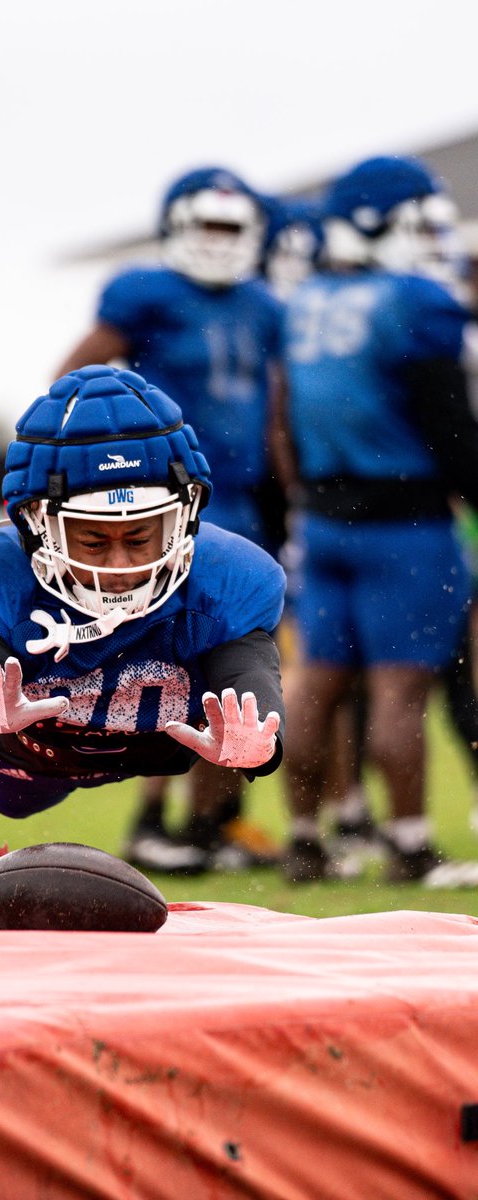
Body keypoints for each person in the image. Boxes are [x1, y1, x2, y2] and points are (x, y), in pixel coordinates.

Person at [0, 365, 286, 832]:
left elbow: (251, 684)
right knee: (9, 801)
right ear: (36, 524)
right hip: (33, 763)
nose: (118, 566)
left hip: (164, 750)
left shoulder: (226, 579)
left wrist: (259, 746)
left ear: (183, 518)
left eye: (139, 539)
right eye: (93, 543)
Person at [53, 167, 286, 873]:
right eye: (207, 226)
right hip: (164, 505)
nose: (218, 243)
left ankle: (210, 823)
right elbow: (71, 383)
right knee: (168, 662)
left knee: (238, 664)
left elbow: (272, 413)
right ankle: (152, 818)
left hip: (243, 505)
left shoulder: (264, 306)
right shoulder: (143, 293)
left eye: (230, 228)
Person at [277, 155, 478, 884]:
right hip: (405, 524)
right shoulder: (418, 301)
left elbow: (285, 422)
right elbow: (452, 429)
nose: (433, 234)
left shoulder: (305, 302)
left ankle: (304, 839)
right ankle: (409, 844)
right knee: (399, 691)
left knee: (317, 682)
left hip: (324, 520)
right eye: (421, 218)